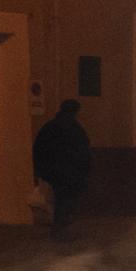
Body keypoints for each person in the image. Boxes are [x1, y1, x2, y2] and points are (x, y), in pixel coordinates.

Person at [32, 100, 94, 237]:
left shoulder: (50, 126)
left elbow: (39, 148)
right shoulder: (75, 128)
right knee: (66, 199)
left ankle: (59, 226)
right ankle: (60, 227)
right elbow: (83, 150)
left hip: (53, 170)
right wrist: (85, 170)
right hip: (71, 171)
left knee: (59, 198)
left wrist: (40, 169)